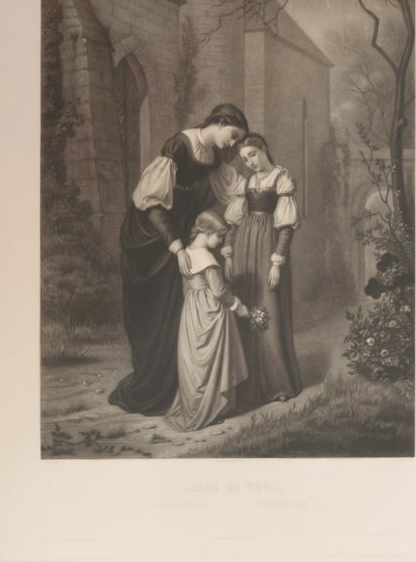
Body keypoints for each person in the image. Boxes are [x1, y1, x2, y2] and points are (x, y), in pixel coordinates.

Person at [108, 104, 248, 414]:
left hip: (178, 238)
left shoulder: (213, 160)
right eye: (233, 136)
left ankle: (170, 386)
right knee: (149, 313)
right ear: (220, 122)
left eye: (239, 141)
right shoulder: (179, 146)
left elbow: (230, 192)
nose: (234, 145)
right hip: (150, 238)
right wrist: (176, 246)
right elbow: (153, 205)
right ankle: (148, 384)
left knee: (171, 312)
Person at [223, 133, 302, 406]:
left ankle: (277, 382)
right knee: (247, 307)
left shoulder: (281, 178)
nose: (250, 162)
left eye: (252, 155)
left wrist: (277, 262)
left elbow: (286, 228)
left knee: (269, 310)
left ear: (263, 149)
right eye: (245, 159)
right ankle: (248, 384)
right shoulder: (246, 183)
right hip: (245, 249)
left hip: (268, 250)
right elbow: (233, 223)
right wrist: (229, 255)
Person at [164, 211, 253, 433]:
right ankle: (211, 409)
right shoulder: (207, 258)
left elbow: (187, 287)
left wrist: (192, 308)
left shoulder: (186, 253)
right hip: (210, 310)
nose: (221, 241)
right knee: (211, 361)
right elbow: (219, 291)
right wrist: (237, 306)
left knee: (195, 361)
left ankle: (195, 407)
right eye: (219, 236)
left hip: (192, 311)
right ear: (206, 232)